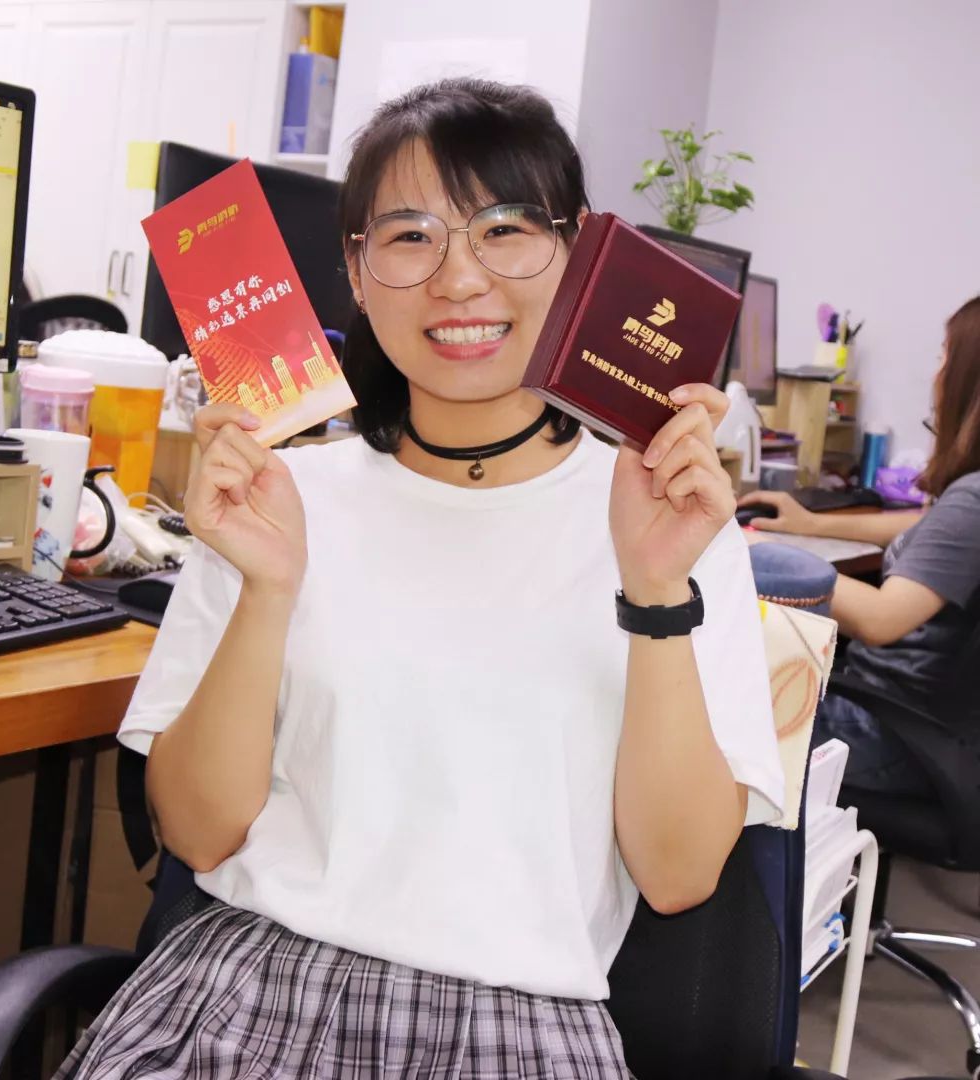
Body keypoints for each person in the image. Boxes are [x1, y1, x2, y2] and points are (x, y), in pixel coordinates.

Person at [55, 78, 783, 1079]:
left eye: (505, 229)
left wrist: (655, 593)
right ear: (356, 273)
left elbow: (678, 874)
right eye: (410, 237)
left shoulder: (668, 522)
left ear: (578, 255)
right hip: (244, 987)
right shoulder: (275, 499)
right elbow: (196, 831)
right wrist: (267, 590)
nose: (460, 279)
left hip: (520, 1027)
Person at [738, 295, 980, 795]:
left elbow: (880, 619)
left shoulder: (972, 501)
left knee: (704, 696)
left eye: (944, 356)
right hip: (917, 723)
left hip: (888, 732)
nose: (936, 372)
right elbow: (929, 526)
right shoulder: (966, 504)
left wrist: (748, 547)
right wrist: (809, 523)